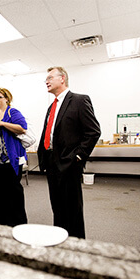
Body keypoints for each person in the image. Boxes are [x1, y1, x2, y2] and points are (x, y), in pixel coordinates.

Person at [38, 67, 101, 238]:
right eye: (46, 79)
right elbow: (49, 133)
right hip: (51, 162)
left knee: (72, 208)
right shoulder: (52, 107)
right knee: (57, 207)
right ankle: (60, 240)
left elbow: (93, 132)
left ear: (62, 78)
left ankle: (76, 245)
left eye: (50, 77)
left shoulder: (79, 100)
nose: (46, 81)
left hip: (69, 163)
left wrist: (78, 157)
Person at [0, 88, 28, 227]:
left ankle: (18, 221)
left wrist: (2, 123)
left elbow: (22, 128)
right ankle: (2, 220)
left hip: (11, 158)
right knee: (1, 190)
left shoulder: (12, 112)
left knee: (14, 190)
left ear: (7, 99)